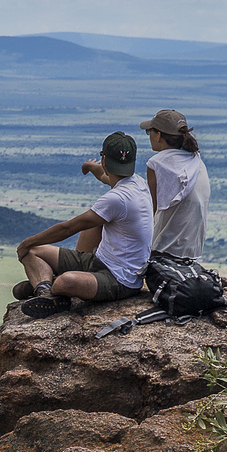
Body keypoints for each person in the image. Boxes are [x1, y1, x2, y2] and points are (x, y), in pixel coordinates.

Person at [12, 132, 153, 319]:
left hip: (122, 280)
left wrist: (26, 243)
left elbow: (68, 228)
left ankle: (49, 284)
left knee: (64, 280)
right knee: (34, 252)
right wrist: (91, 167)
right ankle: (46, 293)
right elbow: (106, 177)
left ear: (104, 159)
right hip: (100, 261)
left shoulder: (116, 199)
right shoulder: (138, 183)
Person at [140, 108, 209, 261]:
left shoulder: (157, 163)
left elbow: (150, 211)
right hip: (193, 251)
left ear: (158, 135)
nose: (149, 136)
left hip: (164, 250)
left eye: (149, 132)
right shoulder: (196, 160)